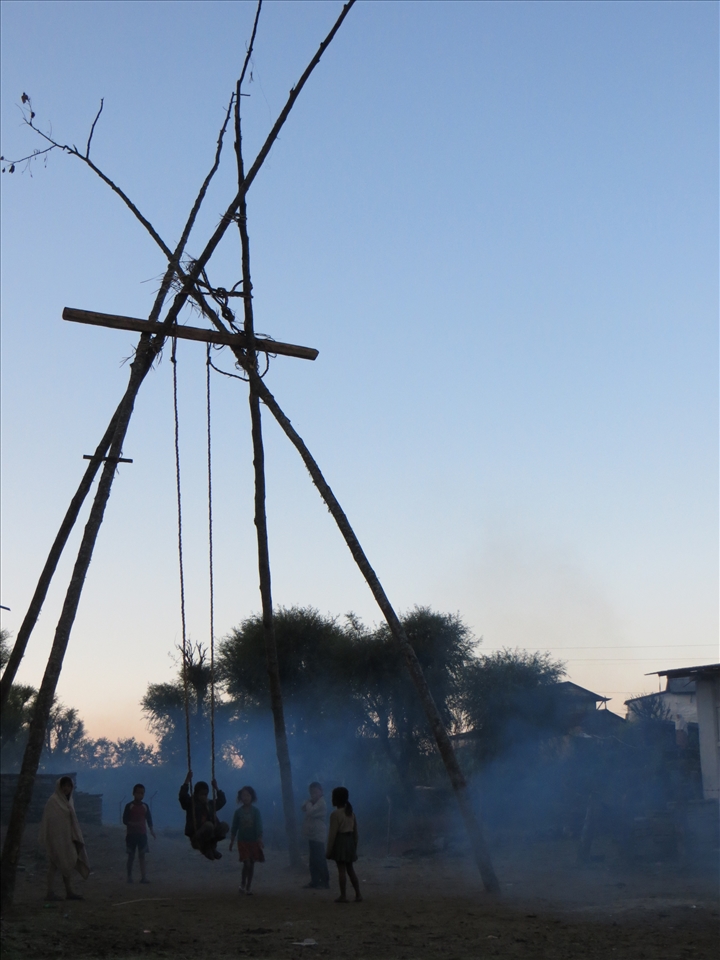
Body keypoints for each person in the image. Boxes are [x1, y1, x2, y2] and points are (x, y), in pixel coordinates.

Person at [38, 776, 90, 901]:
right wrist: (53, 838)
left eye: (68, 786)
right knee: (54, 864)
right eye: (64, 785)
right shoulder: (53, 801)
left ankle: (69, 891)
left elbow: (71, 821)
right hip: (56, 839)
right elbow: (49, 821)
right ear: (59, 786)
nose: (66, 788)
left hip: (68, 838)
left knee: (67, 862)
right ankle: (50, 892)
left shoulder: (69, 801)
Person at [178, 770, 228, 860]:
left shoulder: (209, 804)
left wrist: (216, 788)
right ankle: (206, 849)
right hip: (197, 836)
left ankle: (212, 848)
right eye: (201, 794)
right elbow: (182, 797)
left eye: (205, 794)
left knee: (224, 826)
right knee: (209, 826)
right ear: (196, 794)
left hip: (210, 835)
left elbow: (222, 801)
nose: (204, 796)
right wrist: (187, 781)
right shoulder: (191, 803)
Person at [326, 786, 361, 903]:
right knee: (350, 869)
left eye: (332, 798)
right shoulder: (351, 813)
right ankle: (358, 894)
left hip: (340, 842)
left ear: (336, 800)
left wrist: (329, 850)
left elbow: (332, 834)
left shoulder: (335, 814)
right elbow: (356, 833)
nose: (331, 800)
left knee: (341, 870)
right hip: (350, 841)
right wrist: (354, 847)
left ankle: (343, 896)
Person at [229, 786, 264, 895]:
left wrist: (259, 839)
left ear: (252, 797)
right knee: (247, 863)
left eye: (248, 795)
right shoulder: (238, 812)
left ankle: (248, 886)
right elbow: (234, 827)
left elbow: (259, 826)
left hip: (253, 841)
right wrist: (232, 841)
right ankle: (243, 883)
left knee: (251, 864)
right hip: (242, 842)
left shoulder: (256, 812)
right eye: (243, 795)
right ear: (240, 797)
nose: (245, 798)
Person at [122, 783, 156, 883]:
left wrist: (151, 830)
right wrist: (133, 824)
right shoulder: (129, 806)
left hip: (142, 835)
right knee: (131, 856)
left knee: (142, 856)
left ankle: (143, 877)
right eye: (138, 793)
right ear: (133, 793)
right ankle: (129, 877)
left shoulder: (145, 806)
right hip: (131, 835)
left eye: (142, 793)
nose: (140, 795)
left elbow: (149, 819)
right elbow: (124, 820)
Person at [301, 781, 329, 889]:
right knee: (312, 860)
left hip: (318, 835)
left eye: (316, 792)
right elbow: (303, 807)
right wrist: (309, 802)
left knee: (320, 858)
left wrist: (309, 803)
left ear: (321, 792)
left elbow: (309, 811)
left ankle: (325, 881)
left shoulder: (321, 803)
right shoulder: (313, 802)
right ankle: (315, 880)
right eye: (311, 793)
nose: (313, 795)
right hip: (312, 835)